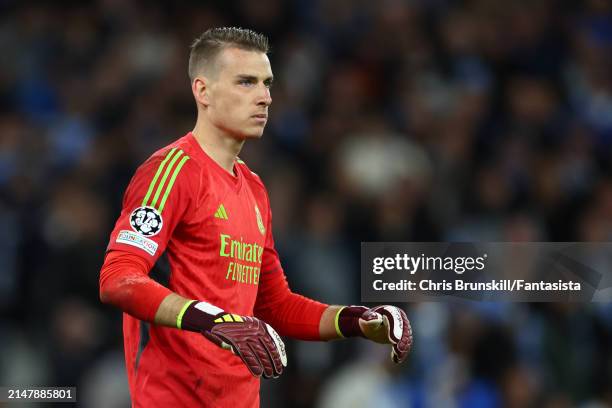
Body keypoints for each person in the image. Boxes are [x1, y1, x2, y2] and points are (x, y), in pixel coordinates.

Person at [99, 27, 413, 407]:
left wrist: (355, 320)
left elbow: (276, 305)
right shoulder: (171, 172)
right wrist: (212, 320)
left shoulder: (254, 188)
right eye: (246, 82)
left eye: (267, 84)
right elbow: (118, 279)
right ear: (203, 91)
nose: (265, 97)